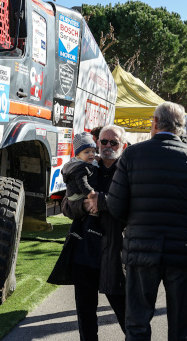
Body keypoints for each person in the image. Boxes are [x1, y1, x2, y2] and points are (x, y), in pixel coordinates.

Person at [106, 101, 187, 340]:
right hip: (181, 249)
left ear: (155, 123)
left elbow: (115, 205)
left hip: (141, 248)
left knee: (137, 322)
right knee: (181, 325)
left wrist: (137, 223)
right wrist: (184, 226)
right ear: (180, 127)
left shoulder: (132, 154)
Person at [61, 125, 127, 340]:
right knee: (85, 314)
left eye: (113, 142)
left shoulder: (128, 171)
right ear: (97, 143)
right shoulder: (86, 168)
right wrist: (83, 207)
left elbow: (131, 206)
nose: (108, 146)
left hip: (114, 253)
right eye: (104, 141)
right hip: (84, 250)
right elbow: (65, 206)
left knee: (126, 313)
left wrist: (102, 202)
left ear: (122, 146)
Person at [61, 132, 99, 209]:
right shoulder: (80, 167)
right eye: (87, 152)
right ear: (78, 155)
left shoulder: (85, 163)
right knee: (95, 205)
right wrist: (89, 192)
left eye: (93, 151)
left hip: (77, 193)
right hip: (77, 194)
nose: (91, 154)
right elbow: (82, 182)